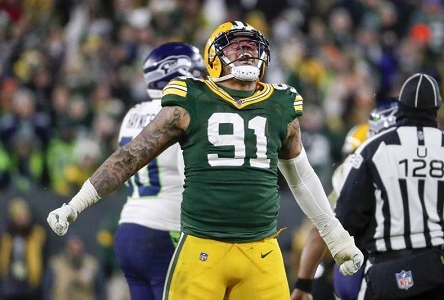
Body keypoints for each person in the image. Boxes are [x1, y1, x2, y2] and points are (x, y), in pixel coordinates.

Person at [47, 21, 363, 300]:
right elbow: (129, 157)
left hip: (262, 249)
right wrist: (76, 203)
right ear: (212, 58)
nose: (247, 55)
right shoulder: (190, 100)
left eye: (252, 49)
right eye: (237, 48)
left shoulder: (280, 103)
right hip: (203, 246)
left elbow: (302, 177)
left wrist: (334, 234)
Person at [335, 72, 444, 300]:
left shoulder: (372, 149)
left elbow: (347, 217)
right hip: (437, 267)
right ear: (436, 109)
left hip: (385, 268)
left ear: (401, 106)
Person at [112, 42, 205, 300]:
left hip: (129, 228)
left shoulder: (132, 113)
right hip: (164, 230)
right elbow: (192, 177)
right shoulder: (180, 114)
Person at [291, 98, 398, 300]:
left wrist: (303, 283)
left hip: (372, 264)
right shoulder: (431, 150)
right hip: (424, 260)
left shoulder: (355, 164)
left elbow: (321, 228)